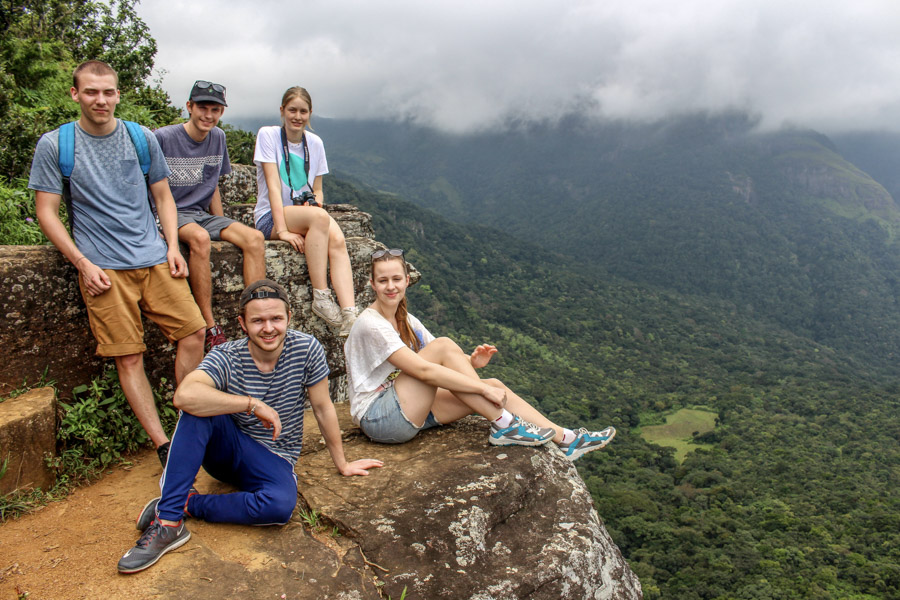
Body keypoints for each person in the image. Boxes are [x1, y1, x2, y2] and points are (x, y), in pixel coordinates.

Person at [117, 279, 383, 574]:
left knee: (280, 506)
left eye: (276, 319)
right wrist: (250, 404)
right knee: (197, 410)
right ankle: (168, 522)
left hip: (274, 456)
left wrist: (342, 463)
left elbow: (322, 407)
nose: (268, 328)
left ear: (289, 318)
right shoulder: (227, 356)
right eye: (258, 320)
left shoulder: (307, 349)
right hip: (228, 450)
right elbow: (184, 396)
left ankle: (187, 503)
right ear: (242, 323)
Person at [28, 60, 206, 467]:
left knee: (194, 332)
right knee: (129, 356)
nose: (100, 100)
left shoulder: (140, 138)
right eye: (91, 92)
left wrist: (173, 247)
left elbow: (162, 195)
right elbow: (47, 212)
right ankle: (164, 445)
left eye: (108, 92)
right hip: (104, 268)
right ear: (75, 94)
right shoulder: (57, 145)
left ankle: (189, 421)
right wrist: (82, 263)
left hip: (154, 257)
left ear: (118, 94)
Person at [344, 248, 617, 459]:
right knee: (452, 354)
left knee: (495, 385)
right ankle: (504, 424)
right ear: (372, 284)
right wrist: (479, 389)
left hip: (408, 407)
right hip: (380, 418)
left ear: (406, 280)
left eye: (396, 279)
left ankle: (567, 440)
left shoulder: (406, 319)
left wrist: (472, 361)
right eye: (383, 280)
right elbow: (425, 369)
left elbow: (444, 359)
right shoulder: (371, 324)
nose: (390, 286)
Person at [154, 80, 266, 352]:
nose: (208, 115)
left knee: (253, 238)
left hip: (202, 213)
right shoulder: (163, 138)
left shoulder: (218, 138)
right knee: (200, 239)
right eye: (203, 108)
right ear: (189, 107)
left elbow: (212, 182)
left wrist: (224, 224)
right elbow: (146, 184)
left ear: (221, 113)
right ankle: (209, 326)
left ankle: (256, 314)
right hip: (171, 213)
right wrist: (154, 225)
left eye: (215, 110)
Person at [253, 86, 357, 336]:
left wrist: (314, 204)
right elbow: (274, 187)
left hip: (306, 216)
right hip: (271, 216)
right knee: (320, 218)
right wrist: (283, 231)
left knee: (339, 240)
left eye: (303, 111)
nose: (297, 117)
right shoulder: (268, 136)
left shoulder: (315, 143)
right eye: (292, 110)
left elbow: (318, 189)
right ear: (282, 111)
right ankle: (321, 296)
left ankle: (350, 313)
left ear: (310, 113)